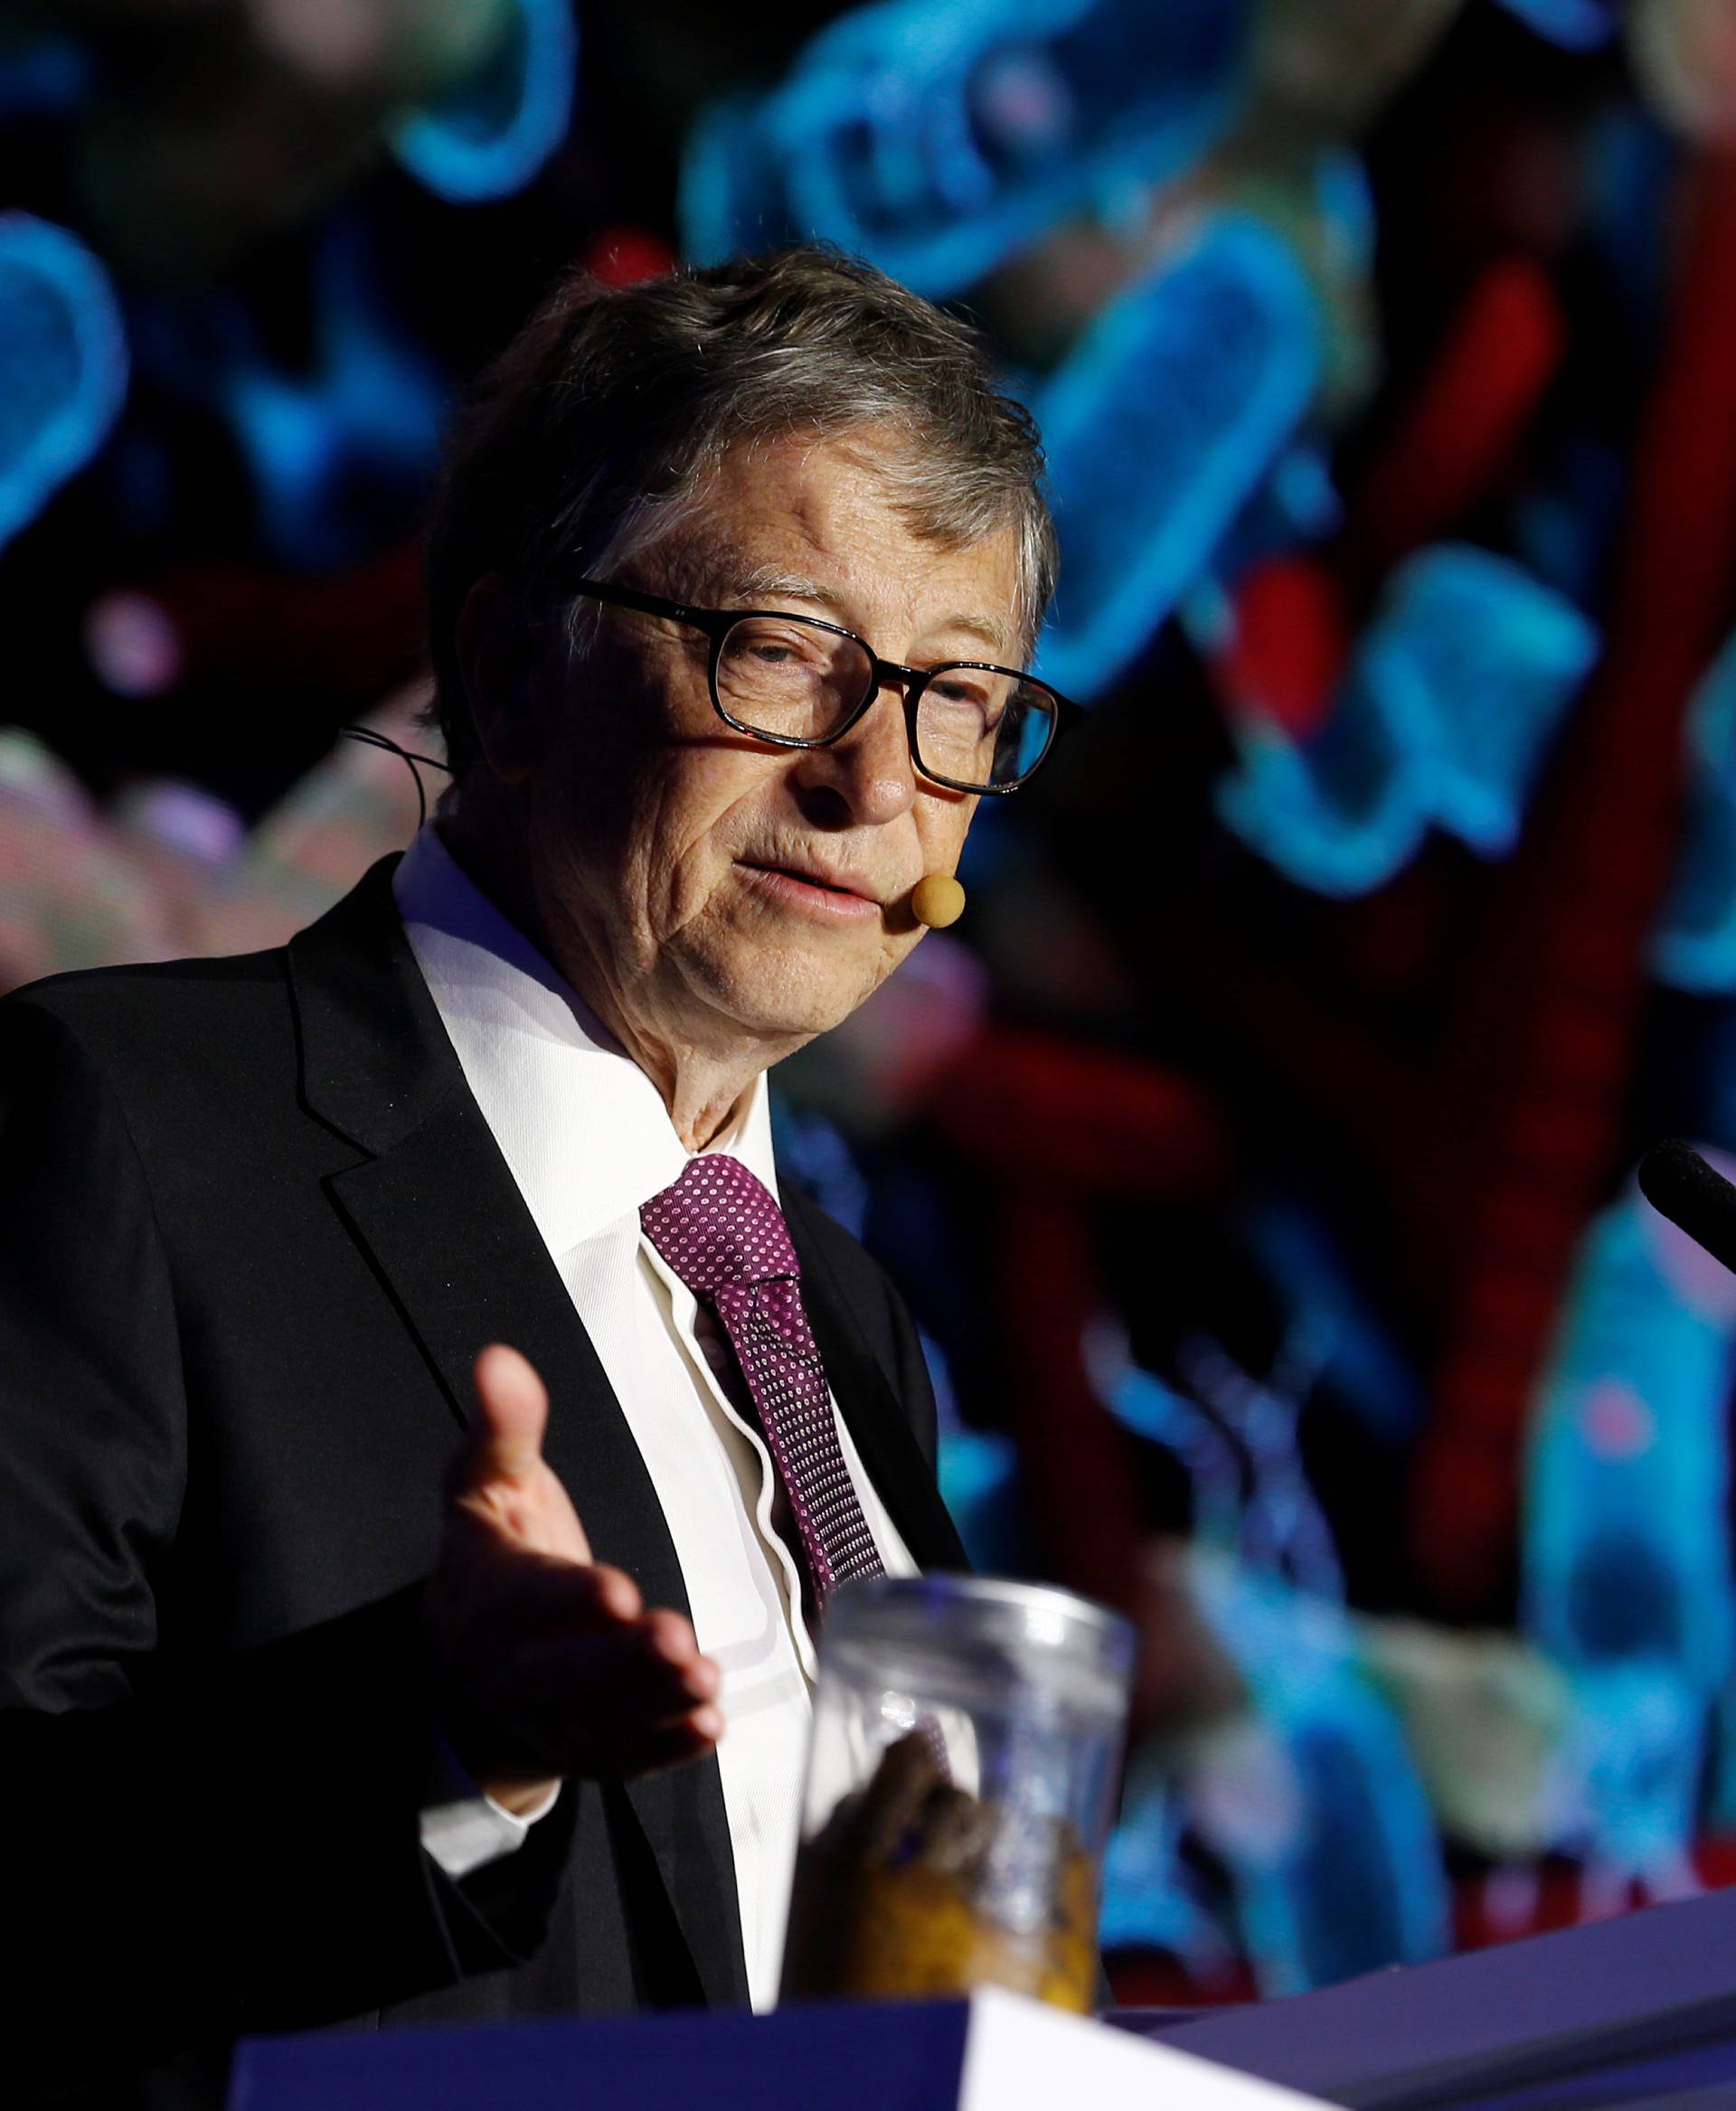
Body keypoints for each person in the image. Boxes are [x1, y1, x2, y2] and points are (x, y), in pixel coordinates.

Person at [0, 246, 1072, 2109]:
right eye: (780, 650)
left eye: (958, 697)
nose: (873, 780)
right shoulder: (121, 1119)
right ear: (508, 670)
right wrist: (432, 1738)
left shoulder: (842, 1318)